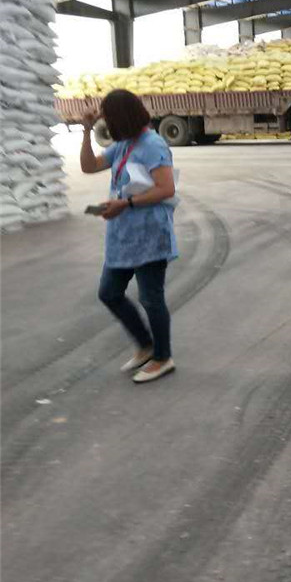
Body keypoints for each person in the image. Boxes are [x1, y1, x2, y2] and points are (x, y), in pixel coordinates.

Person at [80, 90, 178, 382]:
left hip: (150, 234)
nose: (107, 124)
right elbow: (88, 166)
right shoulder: (124, 144)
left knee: (151, 298)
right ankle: (146, 346)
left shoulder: (153, 145)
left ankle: (163, 357)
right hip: (123, 235)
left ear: (123, 118)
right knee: (109, 293)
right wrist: (86, 130)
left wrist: (126, 203)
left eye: (109, 118)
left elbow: (166, 189)